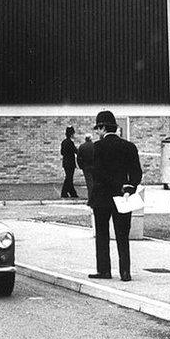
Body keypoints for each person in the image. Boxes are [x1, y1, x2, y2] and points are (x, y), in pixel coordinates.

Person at [88, 110, 143, 282]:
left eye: (98, 128)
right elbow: (137, 173)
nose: (97, 132)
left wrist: (117, 185)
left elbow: (97, 174)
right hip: (123, 198)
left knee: (102, 235)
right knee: (122, 235)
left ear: (103, 127)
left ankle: (104, 270)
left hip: (102, 197)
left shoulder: (96, 148)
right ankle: (125, 272)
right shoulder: (129, 147)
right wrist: (128, 187)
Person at [60, 126, 78, 198]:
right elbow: (75, 151)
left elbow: (62, 152)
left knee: (69, 177)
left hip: (65, 162)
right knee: (69, 178)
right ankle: (64, 192)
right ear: (71, 134)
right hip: (70, 163)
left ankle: (72, 192)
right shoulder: (70, 142)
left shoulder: (64, 142)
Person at [76, 133, 95, 199]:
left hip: (86, 167)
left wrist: (81, 166)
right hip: (94, 166)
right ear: (91, 138)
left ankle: (90, 197)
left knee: (89, 182)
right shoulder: (94, 146)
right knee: (94, 182)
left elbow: (78, 158)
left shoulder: (82, 146)